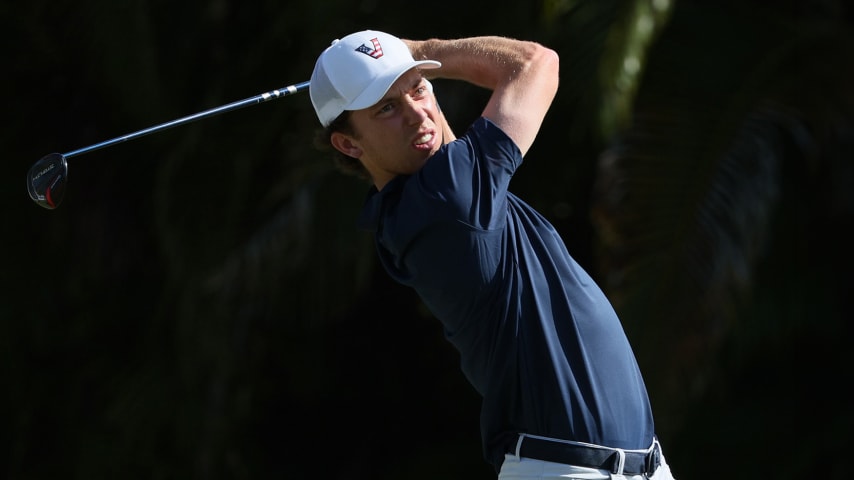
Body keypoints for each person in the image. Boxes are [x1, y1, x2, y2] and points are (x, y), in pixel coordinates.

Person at [309, 29, 676, 479]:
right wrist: (427, 52)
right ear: (349, 144)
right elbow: (534, 64)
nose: (416, 114)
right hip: (566, 468)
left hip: (633, 465)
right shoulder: (447, 197)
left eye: (418, 87)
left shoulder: (425, 201)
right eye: (386, 107)